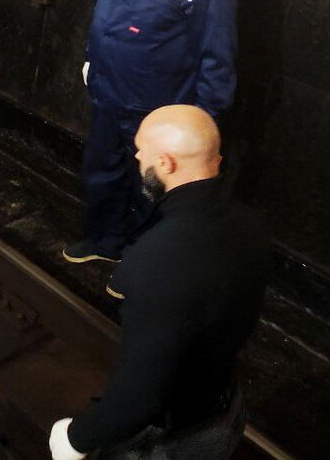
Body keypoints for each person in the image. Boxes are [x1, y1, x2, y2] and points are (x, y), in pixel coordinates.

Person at [50, 105, 272, 460]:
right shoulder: (250, 223)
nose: (137, 157)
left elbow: (145, 391)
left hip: (176, 438)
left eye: (143, 151)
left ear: (166, 163)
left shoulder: (155, 259)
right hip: (226, 407)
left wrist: (76, 438)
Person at [64, 0, 238, 264]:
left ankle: (140, 262)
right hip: (110, 92)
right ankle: (102, 243)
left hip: (158, 107)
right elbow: (107, 9)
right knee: (102, 172)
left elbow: (218, 56)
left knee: (150, 190)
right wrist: (93, 59)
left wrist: (201, 122)